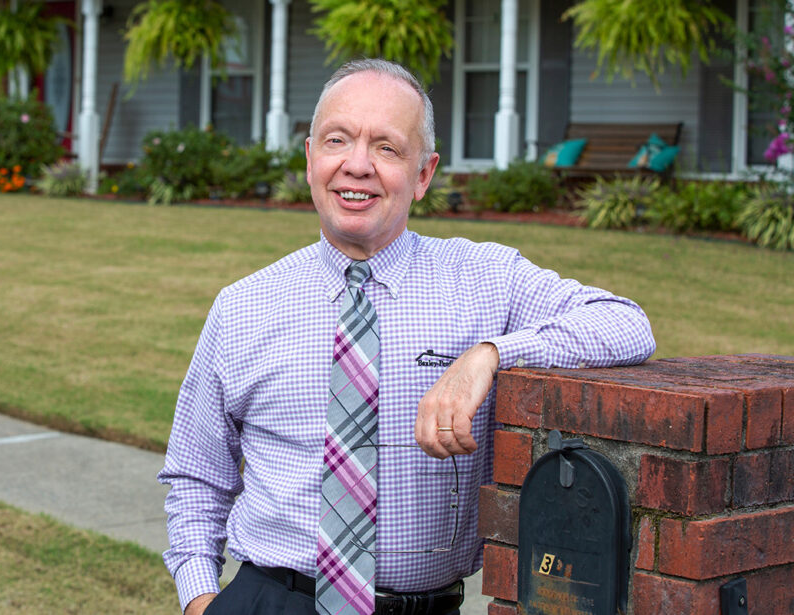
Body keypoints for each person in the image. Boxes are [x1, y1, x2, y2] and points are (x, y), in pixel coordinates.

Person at [158, 58, 655, 615]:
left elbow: (625, 323)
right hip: (271, 600)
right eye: (337, 140)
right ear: (310, 158)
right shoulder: (243, 306)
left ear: (423, 174)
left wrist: (489, 355)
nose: (357, 165)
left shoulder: (485, 280)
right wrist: (201, 601)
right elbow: (197, 474)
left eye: (387, 148)